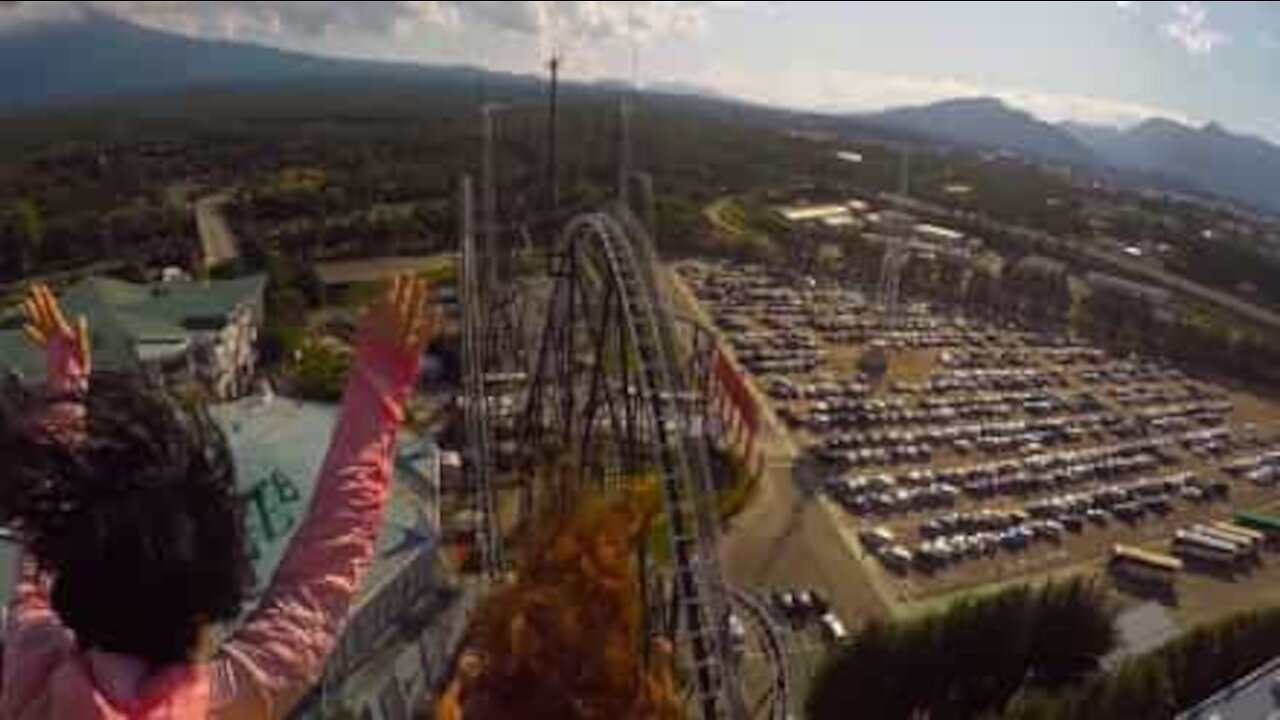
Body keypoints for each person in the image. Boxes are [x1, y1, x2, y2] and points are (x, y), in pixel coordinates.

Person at [1, 276, 436, 719]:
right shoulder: (227, 700)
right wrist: (382, 374)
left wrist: (67, 388)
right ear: (210, 602)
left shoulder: (31, 677)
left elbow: (47, 541)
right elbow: (327, 563)